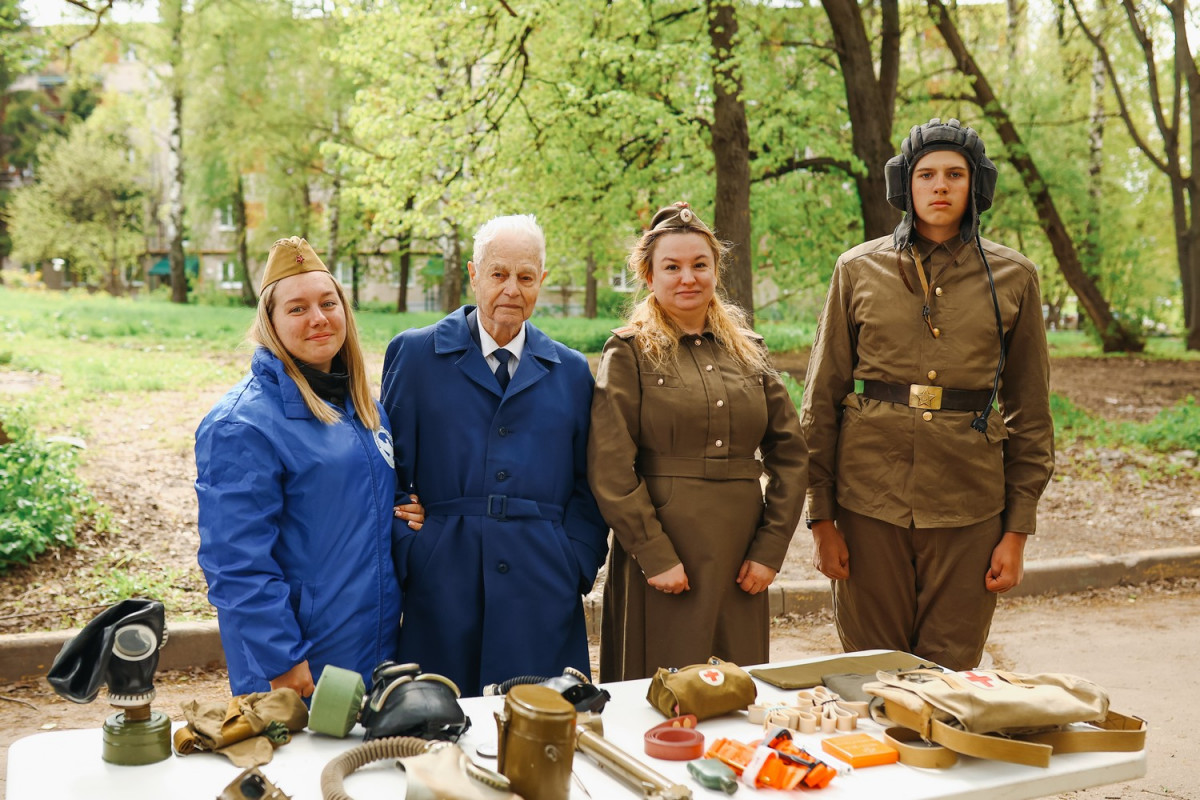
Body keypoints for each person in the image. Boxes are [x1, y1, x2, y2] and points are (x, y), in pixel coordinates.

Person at [801, 118, 1054, 671]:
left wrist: (1016, 532)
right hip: (869, 502)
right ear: (905, 186)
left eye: (955, 175)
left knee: (948, 674)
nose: (940, 186)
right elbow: (821, 400)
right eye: (927, 174)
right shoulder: (857, 269)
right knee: (872, 672)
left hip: (970, 506)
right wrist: (821, 519)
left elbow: (1031, 415)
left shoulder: (1015, 278)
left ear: (976, 186)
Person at [380, 214, 608, 696]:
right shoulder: (416, 355)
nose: (511, 289)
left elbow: (590, 485)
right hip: (441, 580)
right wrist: (411, 548)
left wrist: (574, 563)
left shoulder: (570, 371)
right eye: (499, 274)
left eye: (525, 277)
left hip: (542, 583)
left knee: (541, 733)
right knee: (437, 732)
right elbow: (387, 470)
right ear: (473, 274)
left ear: (541, 281)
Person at [587, 202, 808, 682]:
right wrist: (654, 554)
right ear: (649, 276)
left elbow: (791, 454)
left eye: (699, 265)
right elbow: (610, 465)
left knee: (734, 692)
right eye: (672, 267)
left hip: (741, 559)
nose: (688, 277)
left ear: (715, 270)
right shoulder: (628, 352)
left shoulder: (749, 351)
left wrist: (770, 550)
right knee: (661, 697)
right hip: (666, 556)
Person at [195, 236, 423, 697]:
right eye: (297, 309)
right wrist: (282, 659)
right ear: (270, 323)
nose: (318, 318)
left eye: (328, 303)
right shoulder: (242, 424)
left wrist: (403, 511)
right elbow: (235, 562)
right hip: (299, 665)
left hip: (372, 649)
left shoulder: (364, 409)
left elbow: (357, 498)